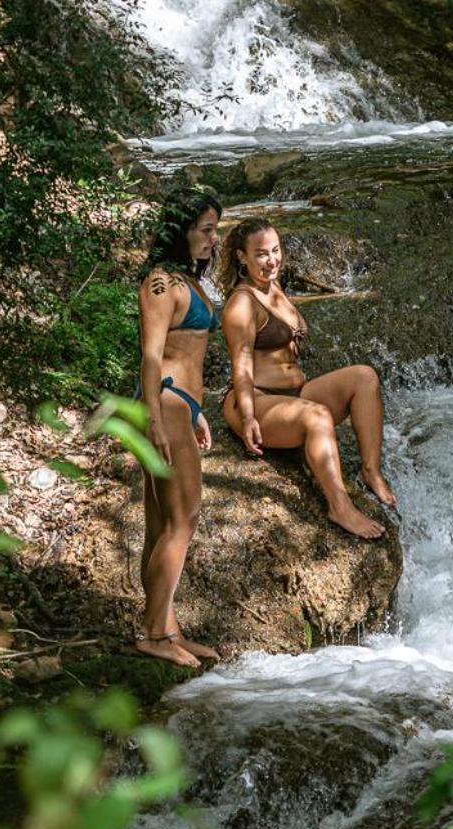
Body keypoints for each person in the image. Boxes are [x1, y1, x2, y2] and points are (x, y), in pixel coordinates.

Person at [217, 218, 391, 541]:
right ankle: (340, 507)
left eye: (275, 251)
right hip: (255, 397)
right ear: (241, 257)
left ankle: (371, 470)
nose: (271, 261)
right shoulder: (241, 303)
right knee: (318, 415)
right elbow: (241, 365)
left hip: (295, 393)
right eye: (261, 254)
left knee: (365, 377)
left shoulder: (273, 287)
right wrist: (249, 416)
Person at [132, 187, 224, 668]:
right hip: (164, 406)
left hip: (181, 405)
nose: (214, 238)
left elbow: (185, 353)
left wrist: (197, 410)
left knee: (161, 523)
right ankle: (152, 632)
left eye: (215, 230)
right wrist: (155, 418)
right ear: (181, 231)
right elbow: (151, 355)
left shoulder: (186, 279)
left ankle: (165, 625)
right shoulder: (161, 284)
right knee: (184, 519)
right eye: (206, 230)